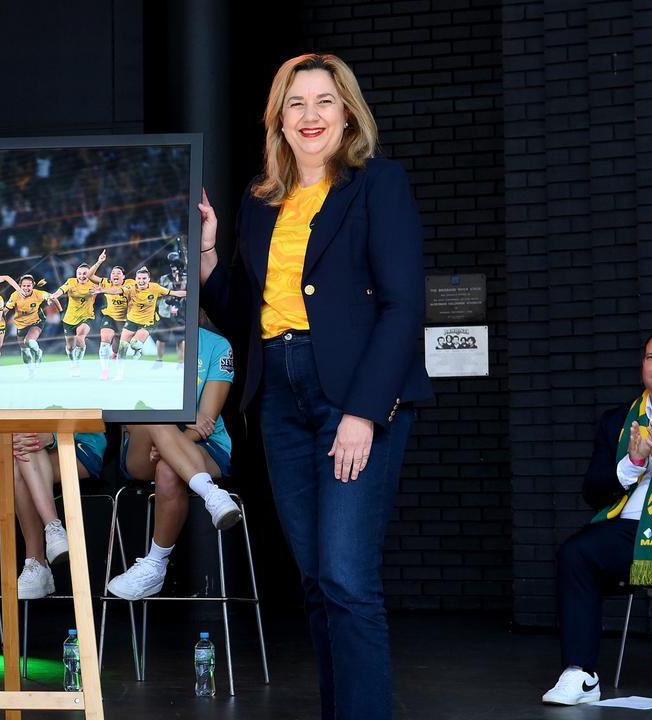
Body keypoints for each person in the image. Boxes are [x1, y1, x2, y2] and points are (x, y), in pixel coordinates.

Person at [198, 54, 432, 720]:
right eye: (295, 103)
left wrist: (363, 412)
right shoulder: (259, 200)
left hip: (352, 397)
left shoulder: (378, 184)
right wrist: (213, 252)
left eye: (324, 101)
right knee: (318, 584)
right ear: (279, 117)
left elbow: (402, 306)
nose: (310, 116)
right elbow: (247, 315)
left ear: (348, 112)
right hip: (281, 398)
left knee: (348, 580)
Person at [541, 331, 652, 706]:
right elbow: (592, 492)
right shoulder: (618, 421)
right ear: (641, 365)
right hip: (628, 532)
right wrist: (634, 463)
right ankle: (580, 674)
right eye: (651, 357)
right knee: (577, 553)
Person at [106, 324, 239, 600]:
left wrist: (169, 447)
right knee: (156, 416)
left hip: (203, 445)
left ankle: (155, 564)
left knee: (168, 468)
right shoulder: (137, 338)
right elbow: (129, 416)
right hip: (144, 445)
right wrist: (163, 439)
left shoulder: (216, 344)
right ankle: (211, 494)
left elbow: (206, 422)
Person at [10, 430, 106, 598]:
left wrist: (53, 436)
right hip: (26, 449)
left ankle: (36, 561)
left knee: (26, 447)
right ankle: (54, 530)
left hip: (79, 443)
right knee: (23, 449)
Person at [108, 267, 186, 364]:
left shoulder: (155, 287)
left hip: (148, 322)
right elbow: (117, 291)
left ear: (148, 279)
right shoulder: (130, 288)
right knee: (122, 347)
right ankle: (119, 374)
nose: (141, 281)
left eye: (144, 278)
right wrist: (101, 290)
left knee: (134, 344)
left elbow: (173, 293)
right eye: (139, 278)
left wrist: (190, 293)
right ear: (135, 279)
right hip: (132, 321)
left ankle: (138, 350)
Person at [47, 250, 106, 377]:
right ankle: (73, 361)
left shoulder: (93, 285)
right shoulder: (71, 282)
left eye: (85, 273)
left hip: (86, 317)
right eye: (79, 273)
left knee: (80, 338)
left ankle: (77, 365)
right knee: (69, 347)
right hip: (69, 319)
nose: (82, 275)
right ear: (76, 274)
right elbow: (61, 290)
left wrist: (99, 262)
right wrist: (53, 296)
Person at [5, 274, 50, 379]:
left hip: (36, 321)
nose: (26, 288)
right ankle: (31, 370)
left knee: (29, 341)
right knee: (24, 350)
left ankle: (38, 353)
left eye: (28, 285)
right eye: (24, 286)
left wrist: (50, 299)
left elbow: (48, 296)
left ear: (33, 285)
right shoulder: (15, 295)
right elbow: (6, 309)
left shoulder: (38, 293)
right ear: (20, 286)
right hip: (21, 324)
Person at [96, 266, 128, 381]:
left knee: (118, 348)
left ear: (123, 276)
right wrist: (99, 262)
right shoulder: (106, 283)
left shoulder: (130, 284)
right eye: (113, 272)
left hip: (125, 319)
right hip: (109, 316)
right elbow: (90, 276)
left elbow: (117, 291)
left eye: (119, 273)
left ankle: (117, 363)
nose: (115, 274)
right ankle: (104, 370)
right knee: (104, 339)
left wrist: (102, 290)